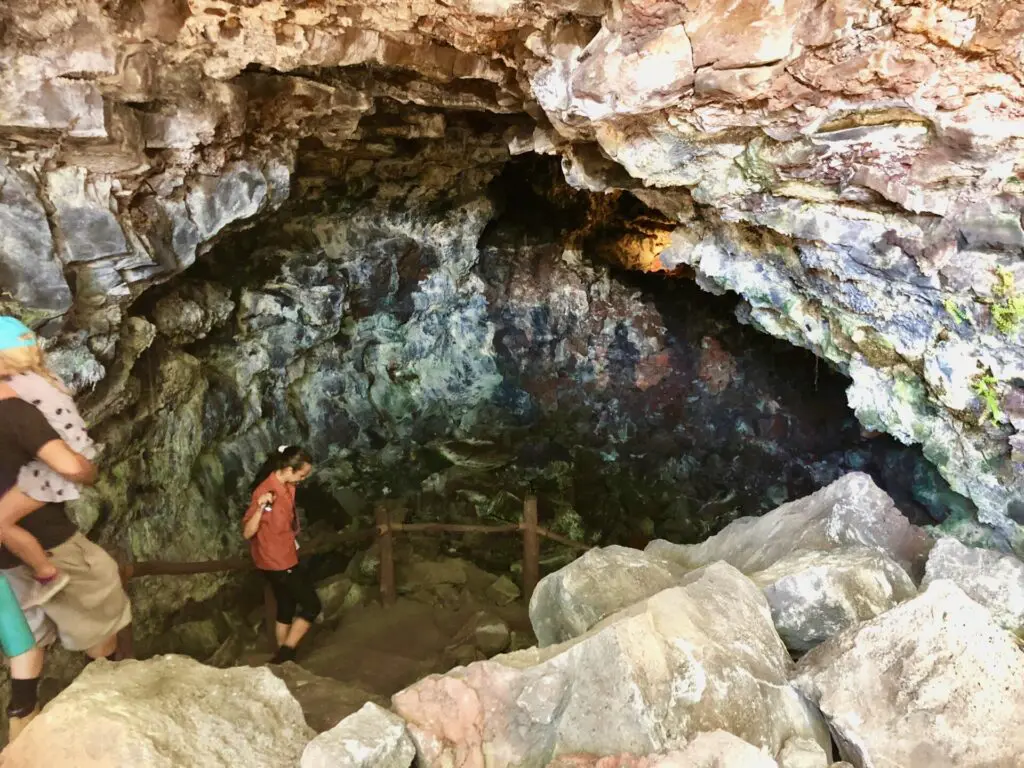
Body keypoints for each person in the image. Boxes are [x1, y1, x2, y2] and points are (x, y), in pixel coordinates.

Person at [0, 379, 131, 741]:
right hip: (50, 540)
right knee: (101, 602)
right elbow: (70, 467)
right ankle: (106, 694)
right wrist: (89, 469)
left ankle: (22, 727)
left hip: (4, 561)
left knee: (28, 640)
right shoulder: (15, 410)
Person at [0, 317, 98, 606]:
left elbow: (68, 465)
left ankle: (47, 574)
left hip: (50, 471)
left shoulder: (14, 388)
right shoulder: (45, 378)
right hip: (71, 457)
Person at [243, 445, 321, 664]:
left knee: (286, 605)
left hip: (284, 554)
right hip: (276, 561)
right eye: (302, 474)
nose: (303, 479)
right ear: (288, 469)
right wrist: (260, 508)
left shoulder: (287, 484)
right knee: (312, 605)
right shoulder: (265, 493)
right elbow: (248, 531)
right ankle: (285, 655)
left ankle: (283, 659)